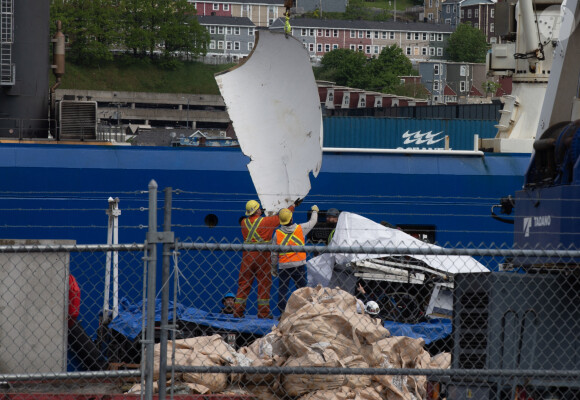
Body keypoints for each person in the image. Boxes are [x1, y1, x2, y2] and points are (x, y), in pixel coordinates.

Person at [234, 198, 301, 318]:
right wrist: (293, 206)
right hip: (262, 256)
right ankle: (263, 313)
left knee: (244, 283)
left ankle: (238, 312)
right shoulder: (266, 222)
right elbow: (281, 217)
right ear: (257, 211)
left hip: (248, 256)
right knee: (264, 283)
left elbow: (254, 223)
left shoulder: (244, 222)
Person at [271, 205, 318, 315]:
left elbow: (274, 254)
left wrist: (273, 267)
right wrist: (315, 211)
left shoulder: (277, 234)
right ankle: (307, 311)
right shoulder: (300, 229)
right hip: (299, 265)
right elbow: (313, 221)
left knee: (282, 291)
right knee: (303, 290)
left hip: (284, 266)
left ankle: (283, 313)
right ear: (291, 218)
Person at [68, 274, 109, 371]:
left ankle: (100, 366)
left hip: (69, 319)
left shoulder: (68, 278)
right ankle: (100, 366)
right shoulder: (68, 278)